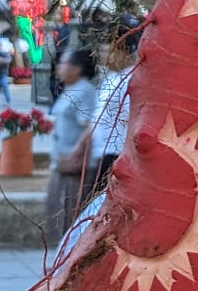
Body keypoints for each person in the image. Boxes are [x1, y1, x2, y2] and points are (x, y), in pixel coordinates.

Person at [45, 45, 100, 247]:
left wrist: (76, 151)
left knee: (69, 211)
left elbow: (89, 126)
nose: (59, 67)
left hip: (74, 164)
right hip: (62, 161)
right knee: (57, 209)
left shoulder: (85, 91)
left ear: (77, 68)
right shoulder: (70, 89)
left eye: (64, 63)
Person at [86, 18, 141, 195]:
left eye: (108, 50)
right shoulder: (112, 77)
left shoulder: (131, 80)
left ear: (123, 51)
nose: (103, 56)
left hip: (117, 154)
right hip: (101, 153)